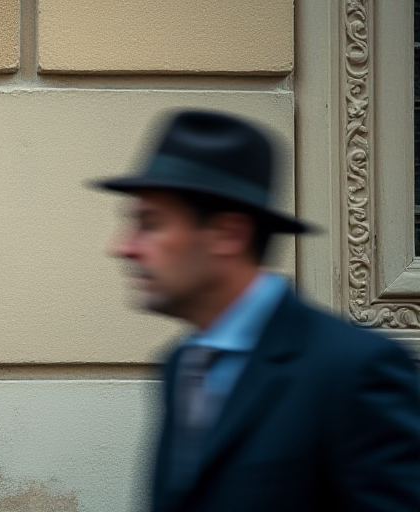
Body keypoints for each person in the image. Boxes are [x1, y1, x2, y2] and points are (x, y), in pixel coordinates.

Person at [95, 110, 420, 511]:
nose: (123, 247)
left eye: (150, 223)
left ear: (229, 234)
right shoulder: (181, 365)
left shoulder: (353, 369)